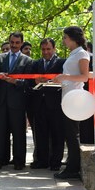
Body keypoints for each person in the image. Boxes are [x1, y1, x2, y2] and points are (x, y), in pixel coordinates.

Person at [52, 26, 90, 179]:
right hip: (67, 96)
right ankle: (71, 164)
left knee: (72, 133)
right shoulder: (74, 54)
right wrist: (61, 80)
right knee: (69, 133)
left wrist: (65, 76)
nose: (63, 41)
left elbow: (84, 77)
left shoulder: (82, 53)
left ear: (73, 38)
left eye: (65, 38)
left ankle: (73, 168)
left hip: (75, 98)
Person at [0, 32, 32, 170]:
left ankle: (19, 161)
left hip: (18, 102)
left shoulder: (27, 61)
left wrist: (15, 82)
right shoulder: (0, 58)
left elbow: (28, 83)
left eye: (17, 43)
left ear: (21, 43)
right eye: (12, 42)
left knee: (18, 133)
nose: (14, 45)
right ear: (9, 42)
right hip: (1, 101)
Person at [29, 38, 65, 171]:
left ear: (54, 49)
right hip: (39, 104)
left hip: (55, 104)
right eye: (43, 49)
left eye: (48, 49)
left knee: (57, 134)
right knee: (41, 134)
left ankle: (56, 162)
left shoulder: (62, 62)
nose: (46, 52)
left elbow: (64, 80)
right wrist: (35, 81)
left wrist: (50, 80)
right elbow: (28, 81)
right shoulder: (35, 63)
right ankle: (42, 161)